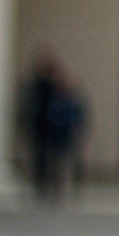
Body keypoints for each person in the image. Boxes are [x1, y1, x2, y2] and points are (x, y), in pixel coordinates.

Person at [20, 52, 87, 205]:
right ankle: (43, 188)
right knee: (44, 160)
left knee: (60, 162)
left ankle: (57, 189)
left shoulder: (64, 95)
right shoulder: (41, 90)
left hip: (61, 133)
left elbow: (77, 114)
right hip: (45, 131)